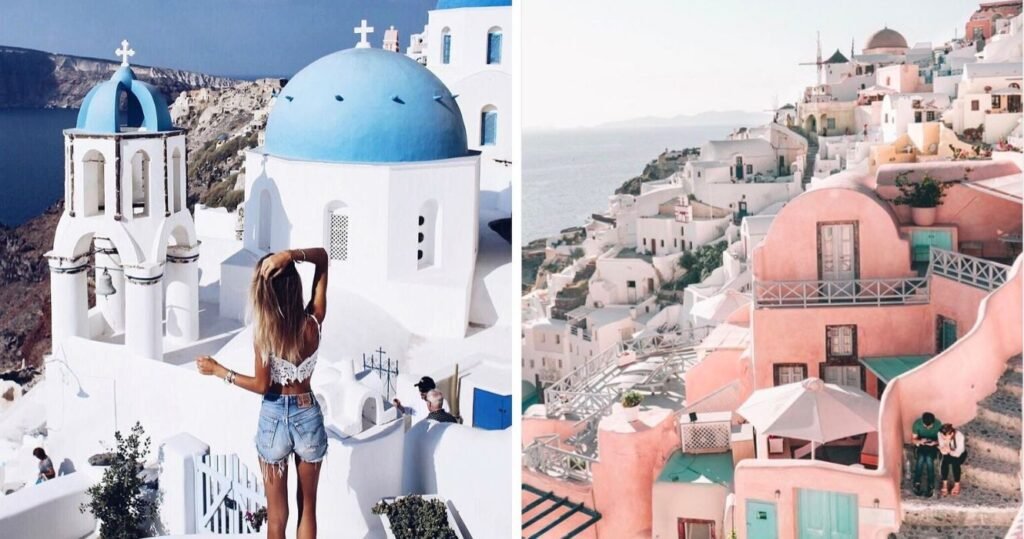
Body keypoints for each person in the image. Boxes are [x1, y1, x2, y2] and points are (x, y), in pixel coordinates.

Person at [197, 248, 328, 539]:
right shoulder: (314, 323)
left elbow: (262, 386)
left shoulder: (265, 335)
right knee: (307, 508)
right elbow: (322, 258)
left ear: (264, 293)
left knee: (277, 517)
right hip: (308, 414)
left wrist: (221, 371)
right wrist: (291, 256)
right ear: (294, 287)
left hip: (273, 420)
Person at [911, 411, 942, 497]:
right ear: (922, 422)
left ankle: (931, 484)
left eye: (930, 426)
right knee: (920, 459)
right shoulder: (917, 424)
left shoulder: (938, 424)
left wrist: (935, 442)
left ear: (933, 422)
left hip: (933, 446)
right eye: (926, 426)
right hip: (921, 444)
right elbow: (913, 440)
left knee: (929, 459)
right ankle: (917, 482)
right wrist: (920, 441)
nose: (928, 428)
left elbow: (942, 440)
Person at [938, 423, 967, 496]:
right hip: (947, 452)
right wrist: (945, 444)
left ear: (952, 434)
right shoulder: (940, 434)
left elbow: (958, 453)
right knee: (944, 460)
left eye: (946, 436)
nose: (943, 438)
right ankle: (945, 483)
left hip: (959, 454)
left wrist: (949, 450)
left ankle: (957, 484)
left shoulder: (960, 436)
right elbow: (942, 448)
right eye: (942, 436)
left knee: (955, 462)